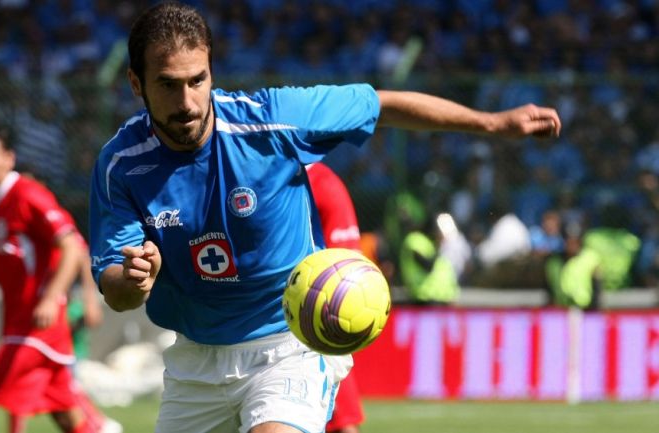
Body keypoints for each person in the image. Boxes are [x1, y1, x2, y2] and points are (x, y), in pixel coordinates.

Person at [88, 3, 561, 433]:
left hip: (287, 345)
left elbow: (382, 104)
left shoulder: (272, 121)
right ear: (136, 83)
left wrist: (492, 124)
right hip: (195, 360)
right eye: (168, 85)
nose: (187, 102)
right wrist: (134, 279)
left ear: (212, 72)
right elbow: (118, 291)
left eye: (197, 80)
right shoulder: (121, 165)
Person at [0, 123, 102, 433]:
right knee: (66, 417)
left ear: (9, 158)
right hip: (25, 326)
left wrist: (51, 298)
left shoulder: (27, 194)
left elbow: (72, 246)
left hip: (36, 329)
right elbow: (2, 269)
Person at [305, 162, 365, 433]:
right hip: (249, 326)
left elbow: (346, 264)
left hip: (310, 326)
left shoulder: (321, 182)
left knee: (340, 424)